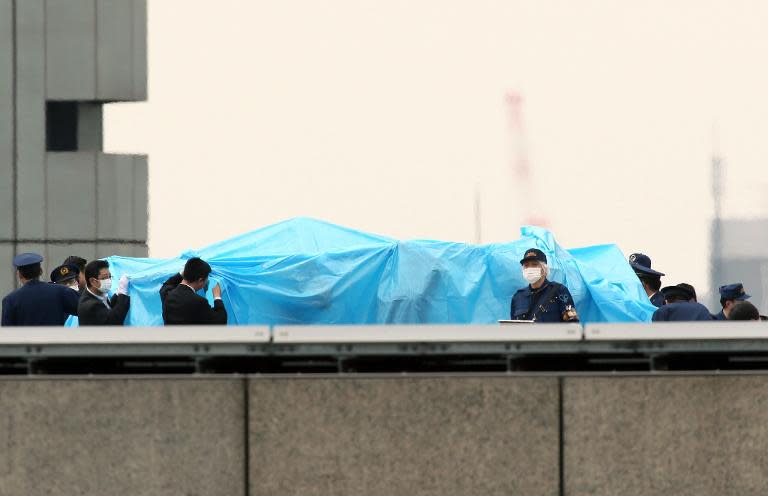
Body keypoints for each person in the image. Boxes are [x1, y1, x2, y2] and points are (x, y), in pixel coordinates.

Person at [1, 253, 79, 326]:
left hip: (25, 340)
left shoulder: (10, 300)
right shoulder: (61, 291)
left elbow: (7, 332)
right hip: (55, 339)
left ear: (19, 274)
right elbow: (84, 310)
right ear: (41, 271)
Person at [510, 248, 579, 323]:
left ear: (544, 268)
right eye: (526, 265)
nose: (529, 268)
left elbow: (572, 324)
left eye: (534, 264)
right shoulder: (518, 297)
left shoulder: (559, 290)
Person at [159, 257, 227, 325]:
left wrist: (183, 273)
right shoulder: (199, 302)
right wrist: (217, 296)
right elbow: (220, 322)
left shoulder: (168, 294)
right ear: (200, 280)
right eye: (207, 280)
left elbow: (167, 284)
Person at [77, 260, 130, 326]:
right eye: (104, 278)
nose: (109, 281)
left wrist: (118, 294)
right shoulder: (90, 305)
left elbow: (109, 309)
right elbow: (114, 320)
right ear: (93, 281)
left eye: (110, 277)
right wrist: (123, 293)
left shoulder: (99, 294)